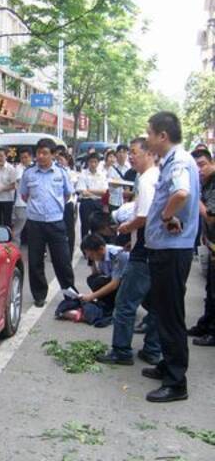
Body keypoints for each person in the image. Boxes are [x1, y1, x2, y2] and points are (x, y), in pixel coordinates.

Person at [142, 111, 199, 403]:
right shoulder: (176, 161)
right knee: (164, 310)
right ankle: (168, 364)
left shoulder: (178, 162)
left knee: (171, 314)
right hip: (168, 249)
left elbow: (181, 194)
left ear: (163, 135)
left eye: (149, 133)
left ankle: (177, 382)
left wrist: (166, 216)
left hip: (171, 250)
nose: (147, 138)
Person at [96, 137, 162, 365]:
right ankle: (152, 349)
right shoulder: (157, 176)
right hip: (153, 247)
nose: (131, 156)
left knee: (125, 303)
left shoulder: (146, 180)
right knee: (155, 303)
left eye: (134, 152)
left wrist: (126, 227)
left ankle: (121, 351)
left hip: (144, 250)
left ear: (149, 153)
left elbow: (144, 217)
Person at [19, 138, 75, 307]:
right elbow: (24, 195)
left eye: (45, 153)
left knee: (62, 261)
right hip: (35, 223)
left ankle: (70, 294)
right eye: (38, 153)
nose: (41, 156)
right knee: (35, 261)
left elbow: (67, 195)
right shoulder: (29, 173)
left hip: (56, 222)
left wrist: (54, 209)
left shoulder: (61, 172)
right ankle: (39, 295)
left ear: (52, 154)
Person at [57, 234, 128, 327]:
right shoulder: (101, 255)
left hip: (127, 286)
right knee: (93, 279)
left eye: (90, 254)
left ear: (101, 249)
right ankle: (105, 305)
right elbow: (97, 275)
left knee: (97, 291)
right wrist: (92, 262)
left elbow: (114, 284)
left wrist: (91, 296)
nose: (89, 257)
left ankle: (112, 306)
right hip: (115, 284)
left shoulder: (117, 255)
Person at [187, 149, 215, 346]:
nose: (199, 170)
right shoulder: (205, 184)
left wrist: (195, 198)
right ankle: (205, 324)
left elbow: (211, 217)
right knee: (210, 288)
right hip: (211, 245)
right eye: (195, 166)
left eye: (203, 164)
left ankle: (212, 331)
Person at [77, 152, 108, 240]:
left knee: (98, 227)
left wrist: (89, 190)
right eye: (91, 162)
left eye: (95, 162)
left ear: (98, 163)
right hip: (86, 203)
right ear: (88, 162)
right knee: (85, 228)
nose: (93, 164)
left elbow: (104, 191)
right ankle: (85, 249)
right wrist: (96, 192)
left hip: (98, 203)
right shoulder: (83, 174)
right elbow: (82, 192)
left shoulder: (102, 174)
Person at [56, 148, 78, 258]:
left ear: (67, 160)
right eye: (57, 159)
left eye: (61, 159)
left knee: (69, 230)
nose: (59, 162)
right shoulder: (55, 171)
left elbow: (70, 188)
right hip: (56, 204)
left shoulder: (71, 173)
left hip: (68, 204)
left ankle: (70, 252)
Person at [12, 147, 33, 246]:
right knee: (18, 229)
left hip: (33, 203)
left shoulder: (35, 167)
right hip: (21, 203)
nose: (24, 160)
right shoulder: (19, 168)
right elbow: (21, 182)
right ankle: (15, 249)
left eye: (26, 157)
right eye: (22, 158)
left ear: (31, 157)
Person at [107, 145, 130, 212]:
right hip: (114, 201)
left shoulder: (130, 168)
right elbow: (111, 184)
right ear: (116, 154)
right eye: (120, 152)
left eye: (124, 152)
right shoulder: (112, 168)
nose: (122, 154)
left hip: (127, 202)